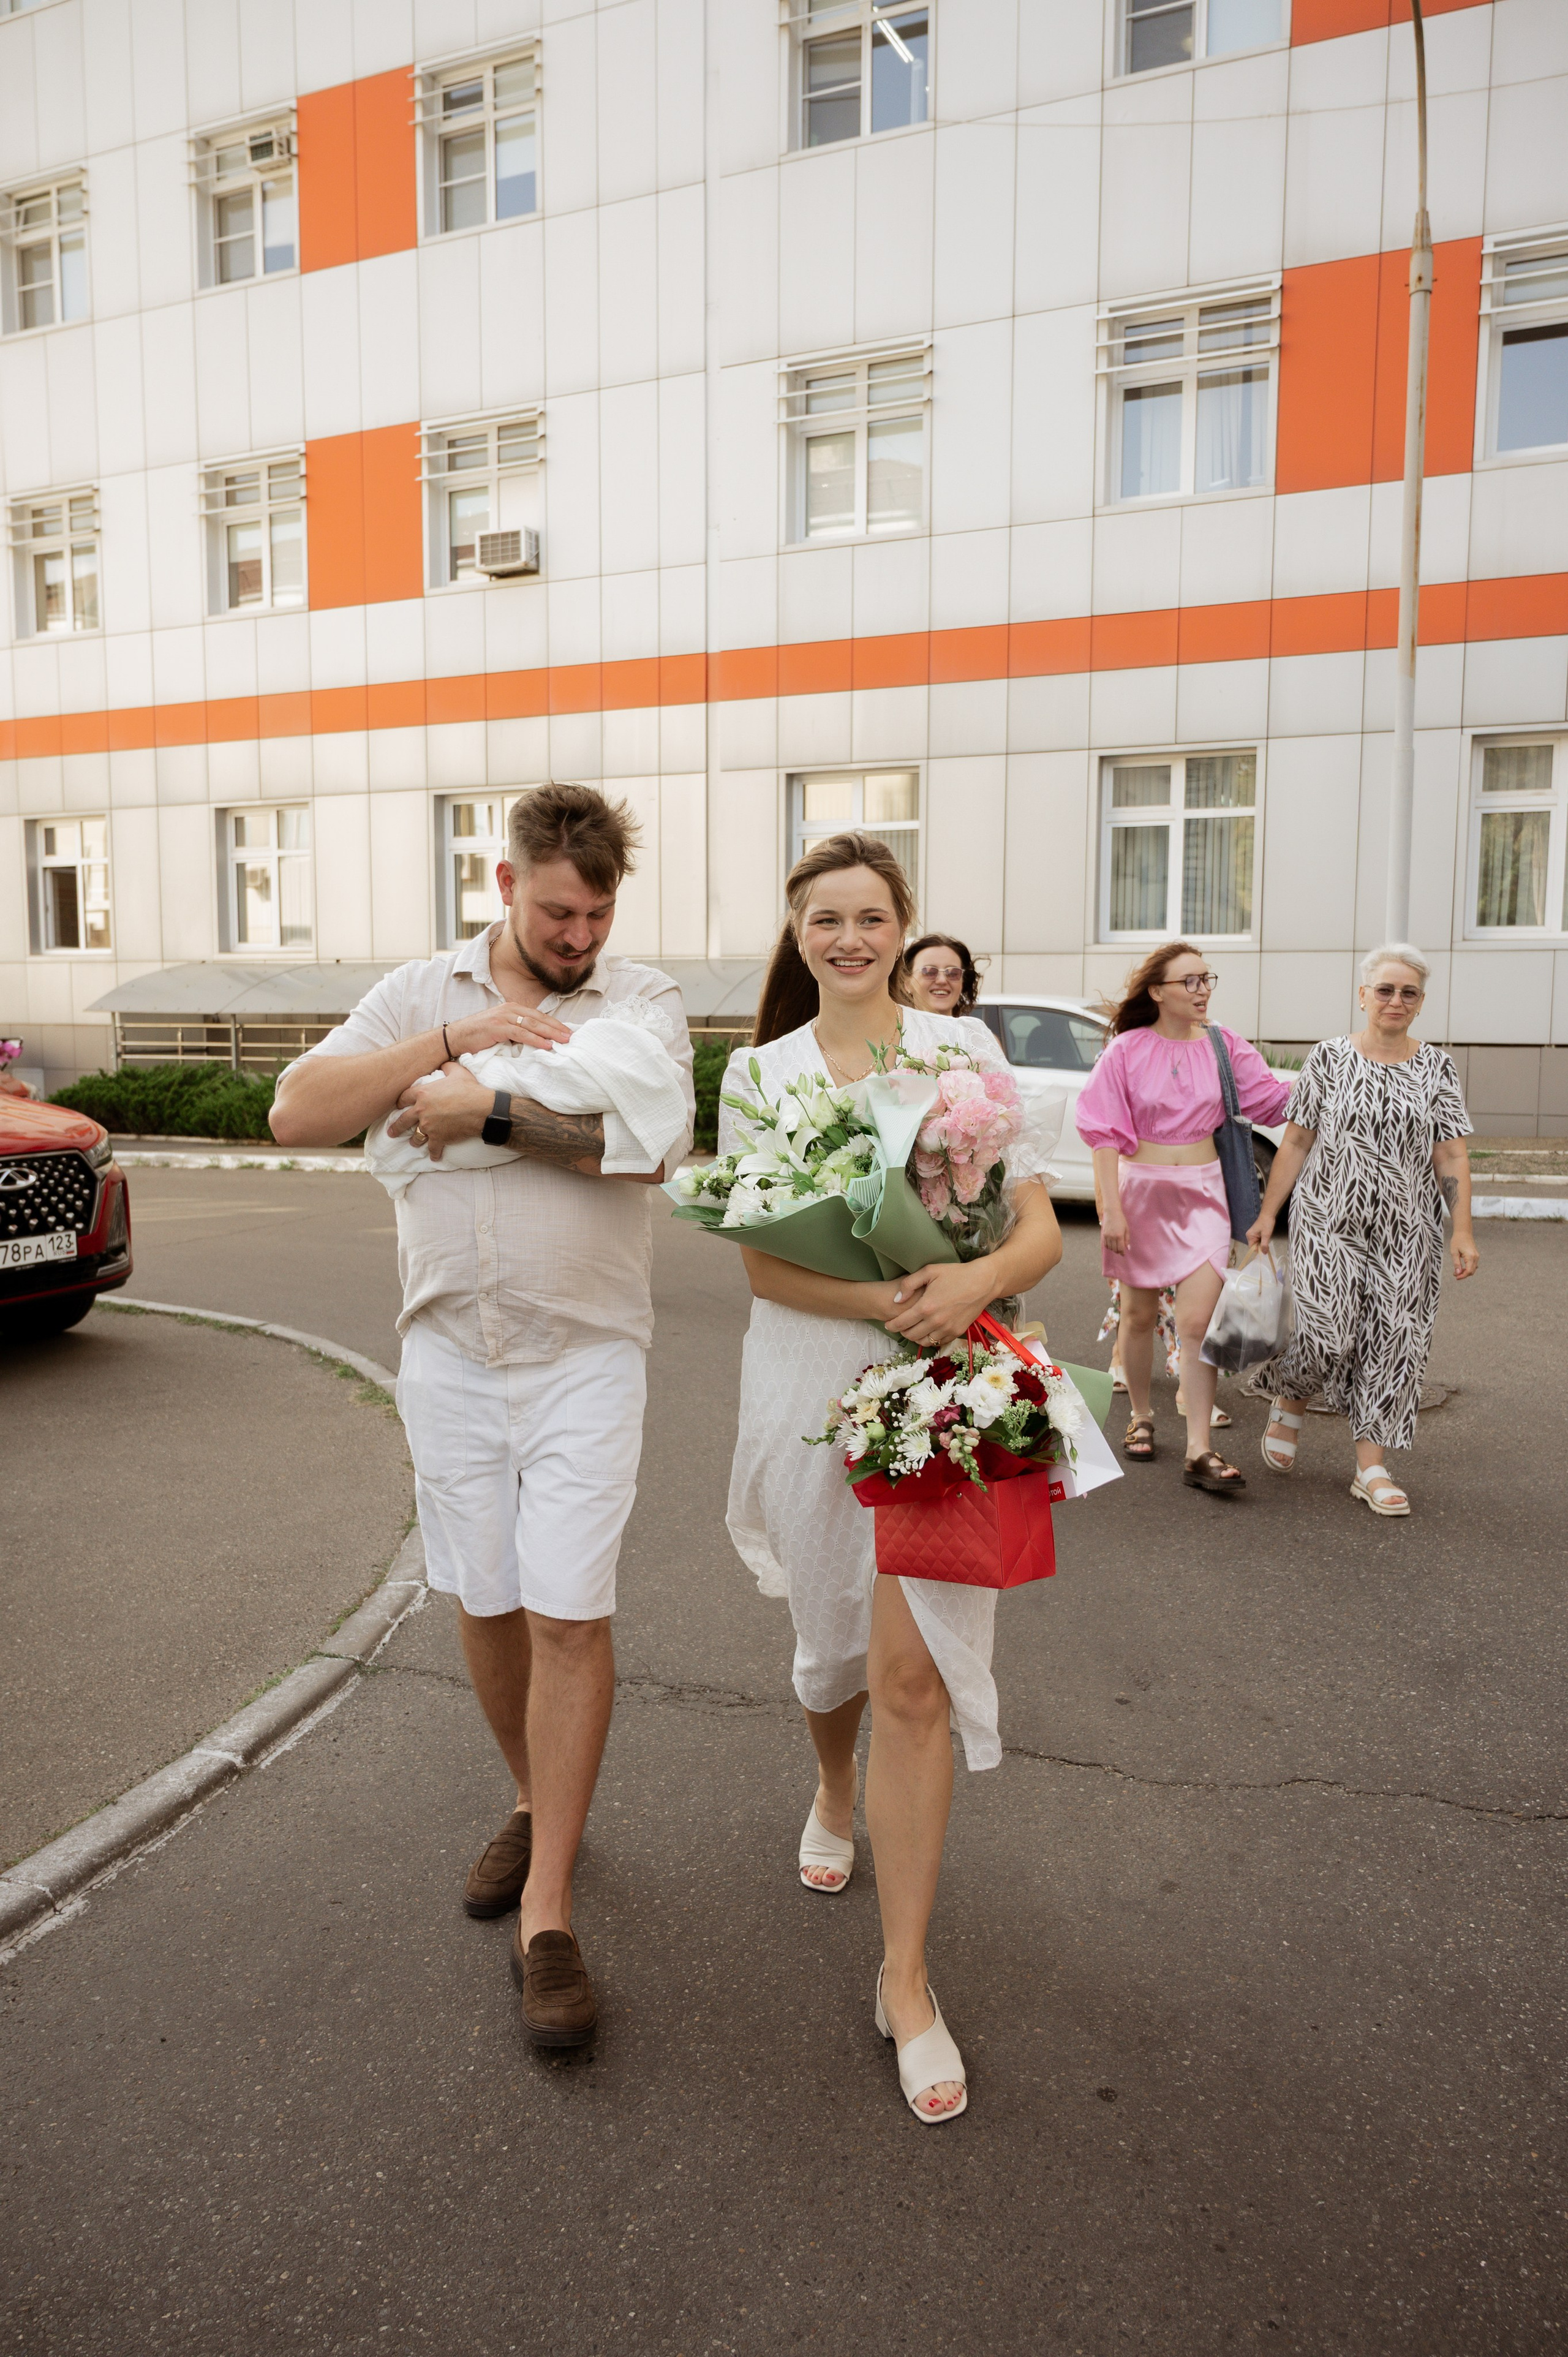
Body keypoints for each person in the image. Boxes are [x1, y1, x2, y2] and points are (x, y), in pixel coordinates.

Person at [269, 783, 694, 2047]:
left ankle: (549, 1914)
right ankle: (530, 1798)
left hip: (584, 1357)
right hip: (448, 1356)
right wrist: (447, 1053)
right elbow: (299, 1111)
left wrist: (489, 1117)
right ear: (504, 885)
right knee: (485, 1599)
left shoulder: (642, 1001)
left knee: (569, 1609)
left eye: (598, 911)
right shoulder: (420, 990)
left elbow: (653, 1149)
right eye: (559, 911)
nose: (580, 935)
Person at [723, 833, 1061, 2124]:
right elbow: (759, 1263)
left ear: (903, 925)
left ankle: (904, 1979)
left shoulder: (960, 1055)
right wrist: (888, 1295)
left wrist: (971, 1284)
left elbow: (1029, 1220)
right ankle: (826, 1778)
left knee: (913, 1674)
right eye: (827, 919)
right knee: (830, 1660)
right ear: (797, 931)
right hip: (811, 1383)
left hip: (949, 1385)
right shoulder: (757, 1074)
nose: (850, 938)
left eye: (872, 916)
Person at [1248, 943, 1478, 1517]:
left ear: (1421, 1004)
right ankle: (1293, 1392)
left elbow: (1450, 1156)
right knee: (1327, 1332)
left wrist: (1462, 1229)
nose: (1395, 1001)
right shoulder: (1327, 1059)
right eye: (1385, 990)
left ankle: (1371, 1466)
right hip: (1329, 1219)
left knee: (1397, 1341)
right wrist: (1268, 1213)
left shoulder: (1437, 1067)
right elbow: (1296, 1141)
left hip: (1409, 1231)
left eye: (1408, 993)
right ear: (1362, 996)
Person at [1075, 943, 1289, 1495]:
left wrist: (1339, 1077)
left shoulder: (1224, 1045)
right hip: (1140, 1193)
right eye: (1189, 981)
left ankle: (1200, 1448)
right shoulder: (1125, 1050)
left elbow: (1270, 1101)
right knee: (1139, 1315)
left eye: (1206, 979)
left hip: (1205, 1198)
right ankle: (1142, 1413)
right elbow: (1101, 1132)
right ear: (1157, 991)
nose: (1202, 990)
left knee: (1196, 1324)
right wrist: (1111, 1209)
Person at [900, 932, 992, 1054]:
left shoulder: (980, 1040)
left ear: (963, 982)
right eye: (929, 972)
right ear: (907, 983)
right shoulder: (894, 1040)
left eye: (953, 973)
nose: (942, 980)